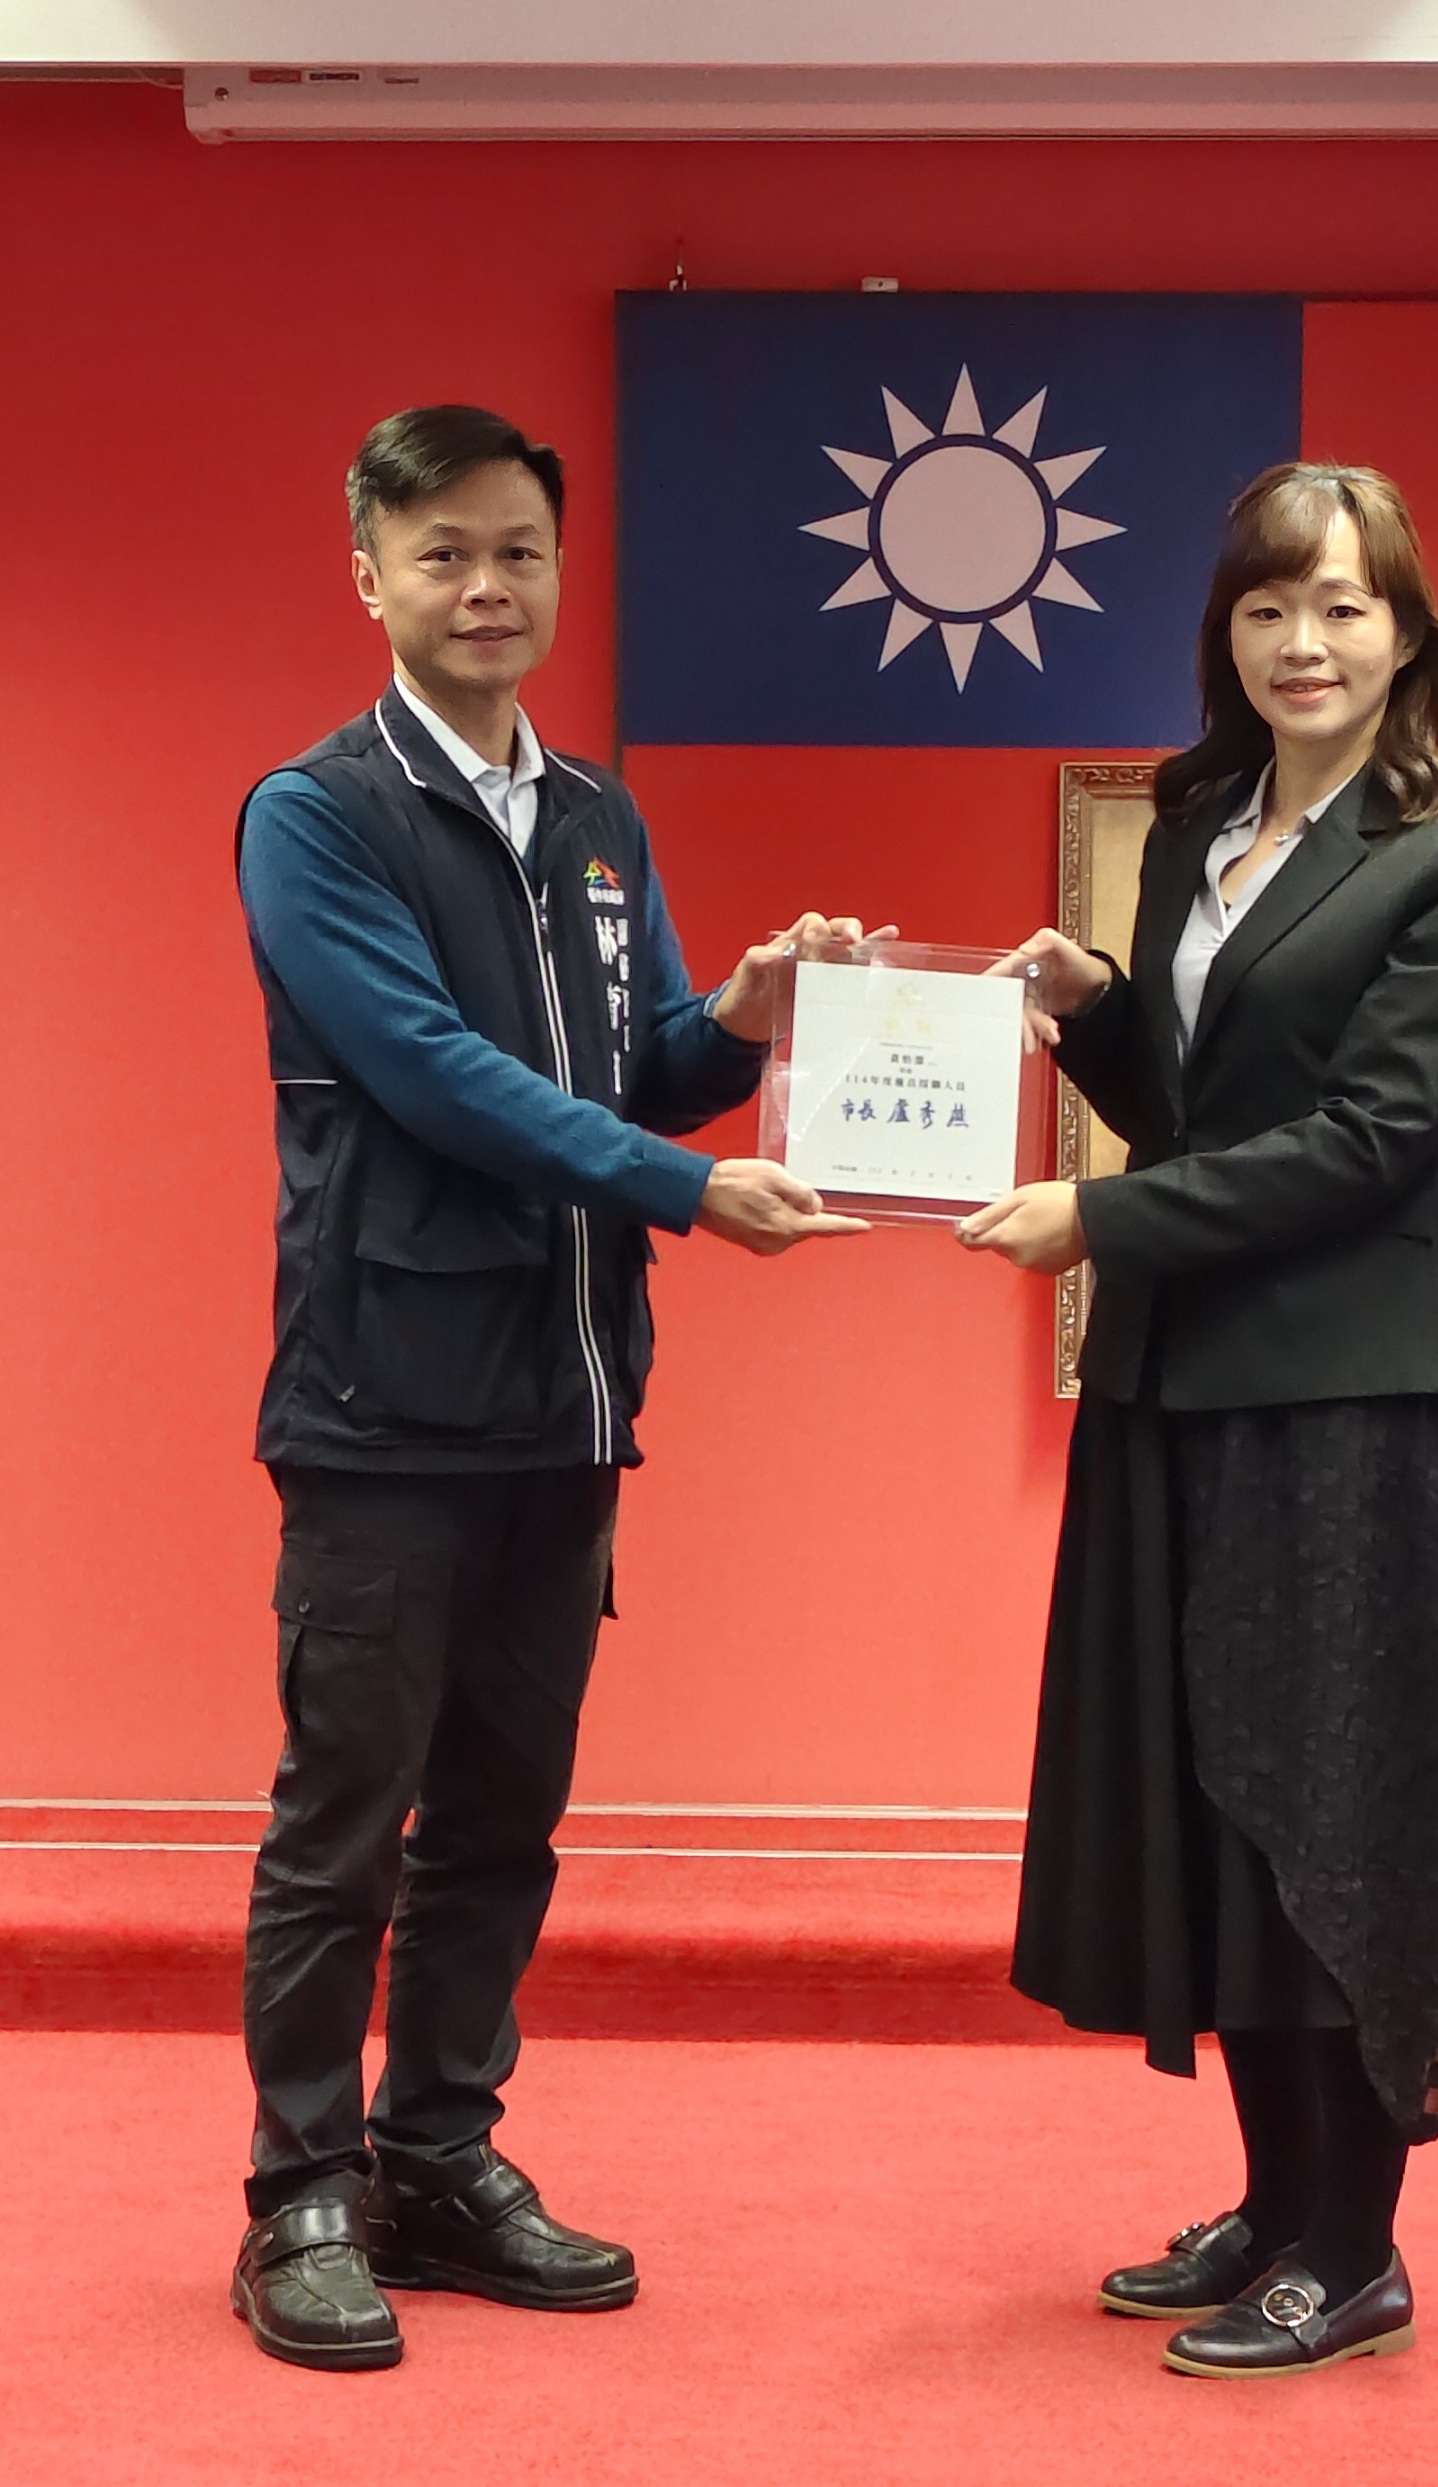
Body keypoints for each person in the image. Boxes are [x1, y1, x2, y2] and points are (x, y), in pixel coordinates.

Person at [231, 404, 877, 2372]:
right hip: (382, 1404)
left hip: (571, 1397)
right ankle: (301, 2194)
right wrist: (686, 1186)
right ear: (368, 574)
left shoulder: (598, 816)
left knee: (503, 1823)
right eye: (441, 552)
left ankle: (439, 2156)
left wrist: (745, 1016)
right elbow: (431, 1073)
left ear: (559, 568)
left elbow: (635, 1061)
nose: (485, 586)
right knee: (345, 1823)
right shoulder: (315, 813)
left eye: (517, 550)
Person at [958, 462, 1438, 2378]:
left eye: (1346, 606)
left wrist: (1099, 1218)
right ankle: (1278, 2200)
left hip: (1342, 1407)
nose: (1306, 642)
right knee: (1218, 1800)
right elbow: (1199, 1105)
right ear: (1227, 630)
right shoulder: (1200, 817)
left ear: (1406, 634)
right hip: (1174, 1382)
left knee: (1337, 1811)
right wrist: (1094, 1010)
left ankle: (1354, 2247)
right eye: (1271, 606)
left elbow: (1372, 1143)